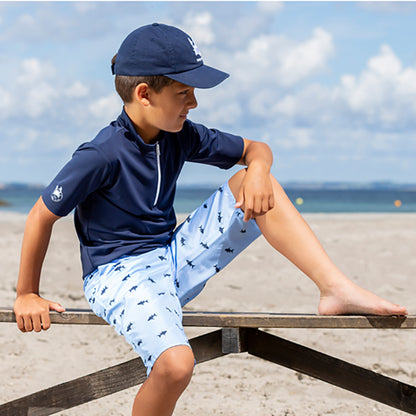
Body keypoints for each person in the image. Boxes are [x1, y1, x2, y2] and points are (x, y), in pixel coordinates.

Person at [14, 23, 407, 416]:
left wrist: (257, 171)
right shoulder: (100, 154)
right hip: (116, 275)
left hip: (169, 259)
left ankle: (334, 288)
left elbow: (257, 149)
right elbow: (40, 216)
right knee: (175, 365)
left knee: (253, 181)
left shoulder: (178, 134)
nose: (194, 103)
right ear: (144, 94)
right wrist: (27, 293)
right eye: (183, 93)